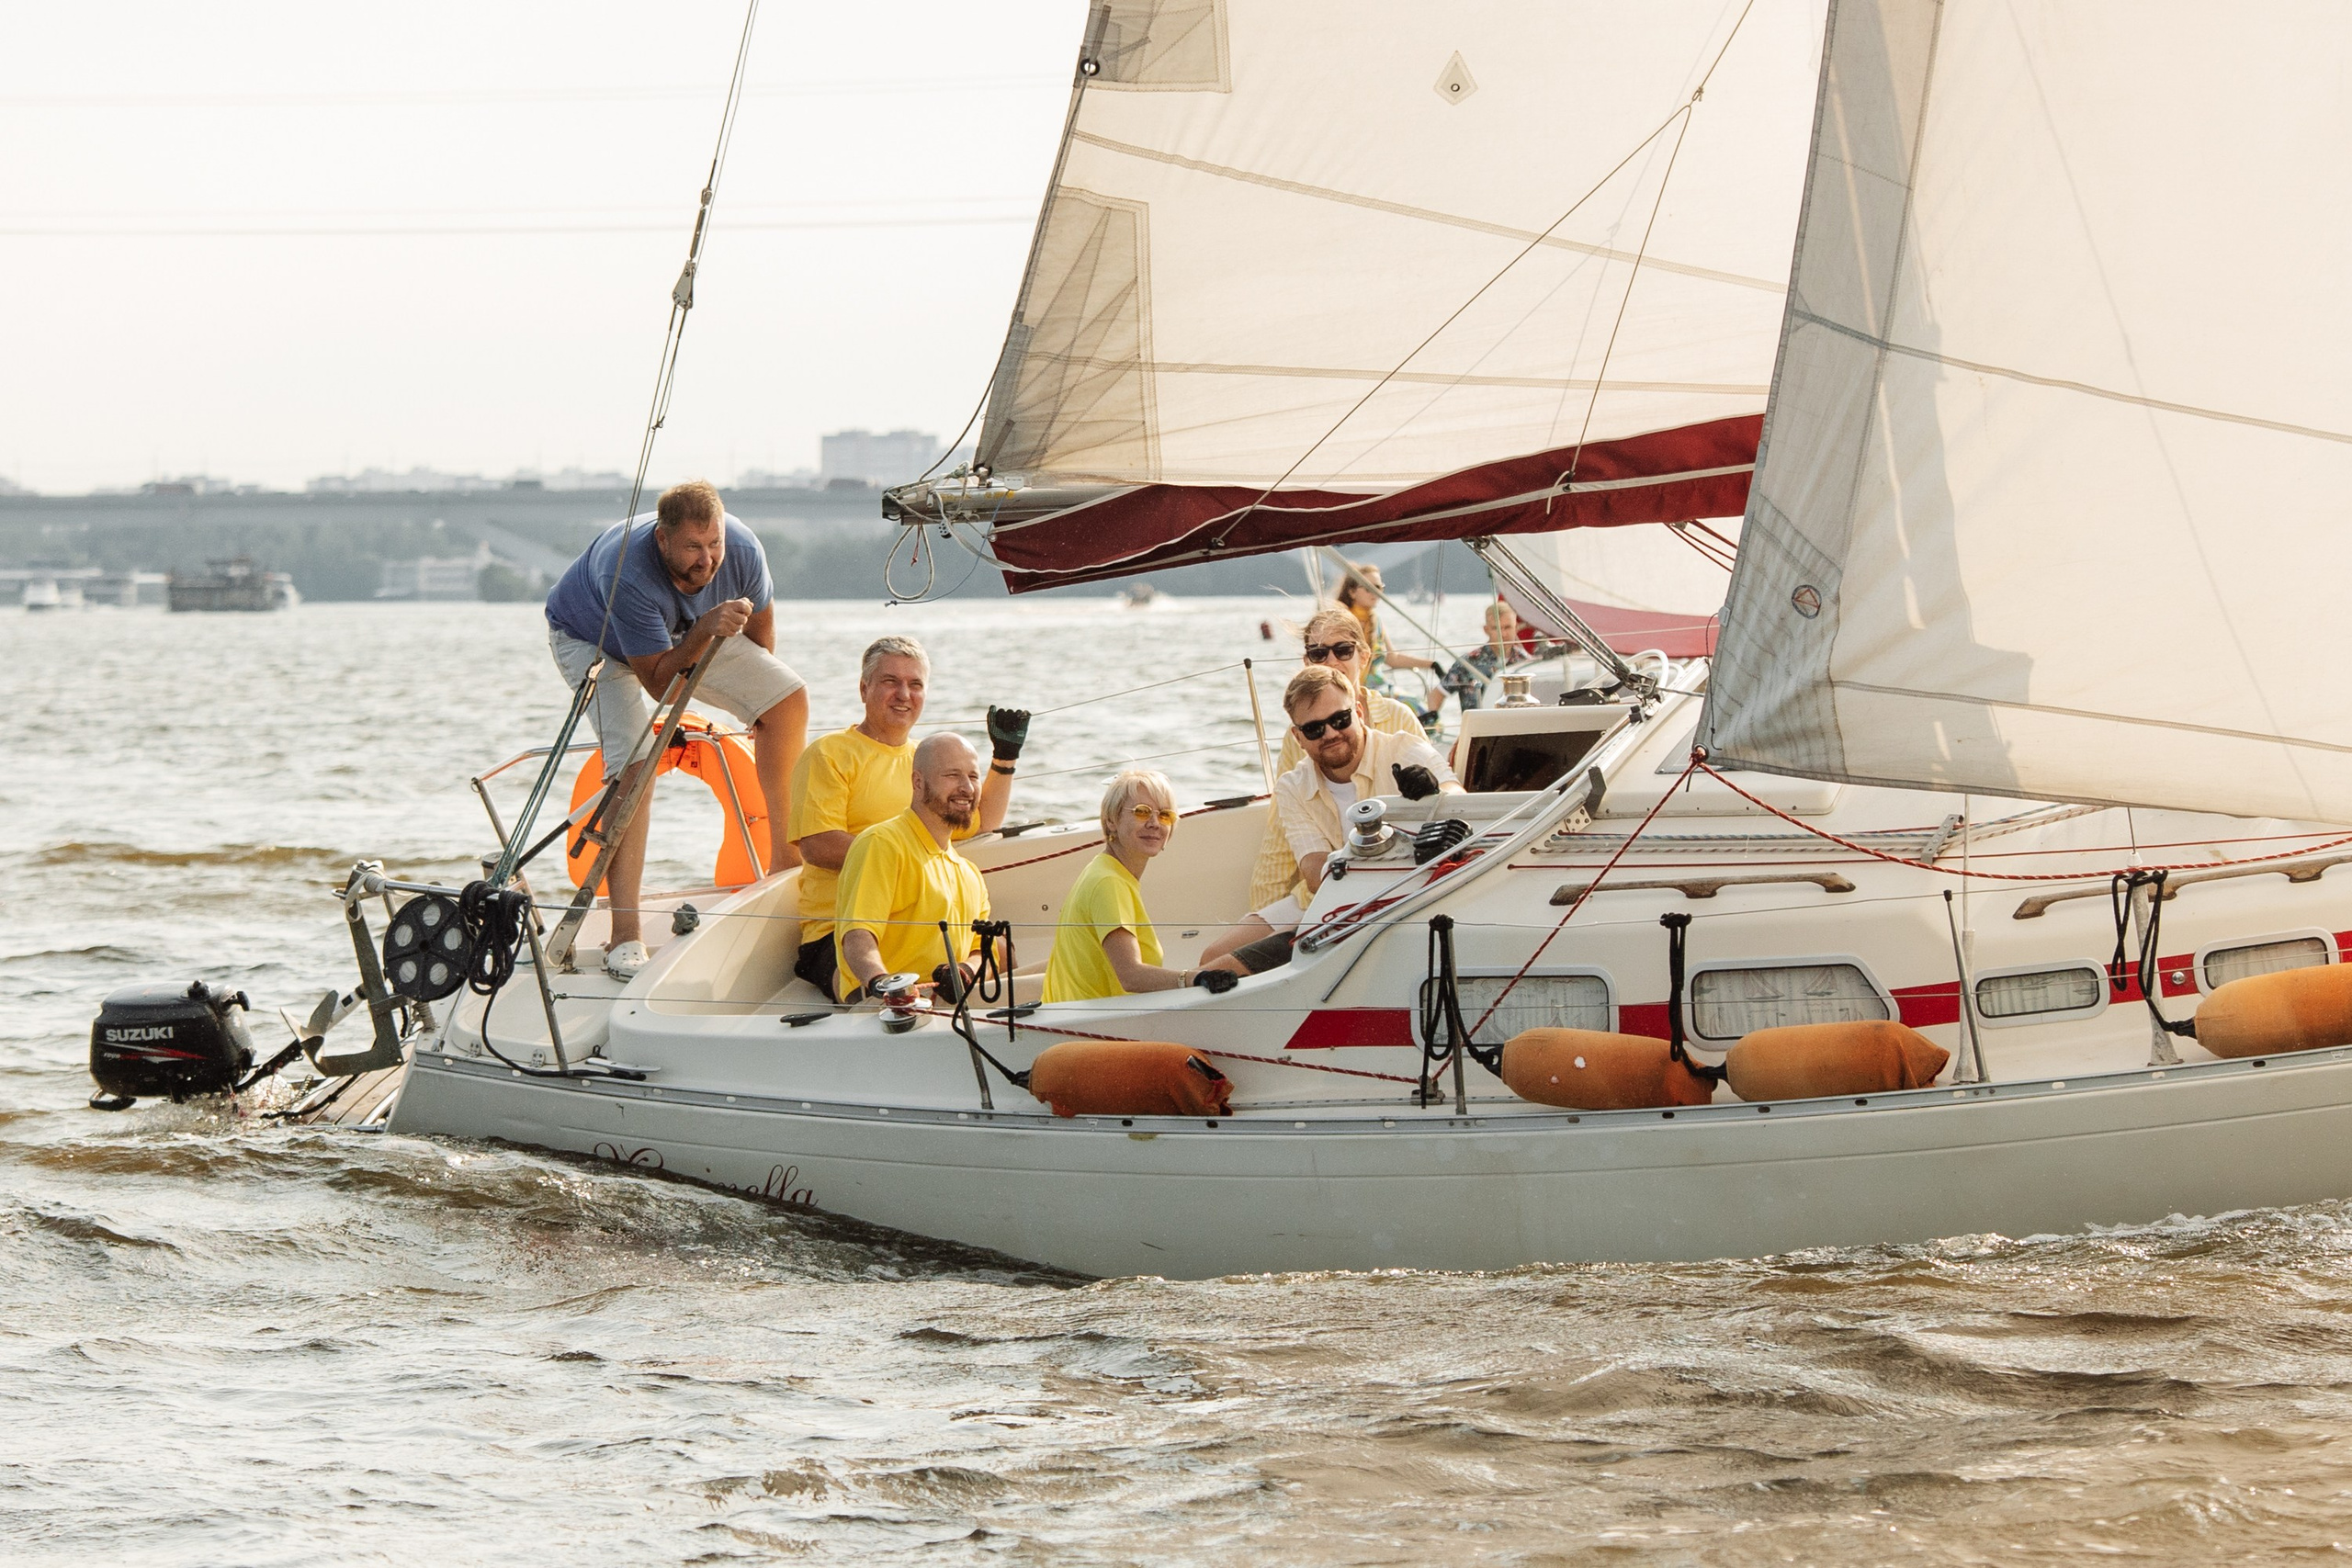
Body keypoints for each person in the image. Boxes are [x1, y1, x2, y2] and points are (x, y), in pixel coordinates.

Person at [544, 479, 808, 978]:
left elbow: (760, 633)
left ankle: (785, 869)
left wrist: (756, 708)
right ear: (663, 540)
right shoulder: (627, 571)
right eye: (692, 547)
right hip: (593, 639)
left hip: (687, 629)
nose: (707, 561)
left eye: (714, 545)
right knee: (635, 760)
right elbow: (659, 683)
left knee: (787, 698)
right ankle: (625, 933)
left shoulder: (745, 549)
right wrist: (706, 627)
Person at [786, 635, 1023, 998]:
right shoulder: (830, 754)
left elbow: (978, 819)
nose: (904, 694)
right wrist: (900, 863)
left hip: (921, 919)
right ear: (864, 688)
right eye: (890, 682)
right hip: (837, 929)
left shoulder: (929, 763)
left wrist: (1004, 759)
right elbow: (818, 846)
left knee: (1001, 949)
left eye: (915, 684)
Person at [1203, 665, 1461, 970]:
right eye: (1314, 729)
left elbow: (1459, 797)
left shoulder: (1403, 750)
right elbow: (1314, 874)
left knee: (1234, 969)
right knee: (1210, 960)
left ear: (1359, 713)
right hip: (1327, 899)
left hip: (1407, 894)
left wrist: (1433, 791)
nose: (1331, 734)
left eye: (1340, 719)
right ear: (1298, 737)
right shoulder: (1292, 786)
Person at [1238, 609, 1428, 919]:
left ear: (1363, 657)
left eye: (1342, 650)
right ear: (1307, 663)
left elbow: (1437, 800)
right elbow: (1281, 832)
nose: (1331, 662)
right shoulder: (1297, 738)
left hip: (1400, 883)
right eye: (1318, 653)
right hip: (1324, 889)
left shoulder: (1399, 720)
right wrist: (1262, 909)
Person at [1042, 770, 1245, 1003]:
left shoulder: (1104, 869)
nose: (1155, 823)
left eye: (1165, 815)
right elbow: (1131, 976)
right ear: (1111, 821)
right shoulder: (1109, 882)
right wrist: (1196, 979)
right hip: (1100, 1027)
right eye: (1142, 812)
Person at [833, 733, 992, 1002]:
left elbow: (984, 953)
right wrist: (885, 985)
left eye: (974, 777)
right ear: (918, 782)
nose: (967, 787)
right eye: (953, 775)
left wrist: (966, 971)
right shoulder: (882, 843)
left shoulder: (969, 872)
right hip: (888, 1006)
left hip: (950, 1003)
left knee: (1054, 985)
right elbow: (858, 937)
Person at [1336, 562, 1432, 693]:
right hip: (1354, 690)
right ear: (1352, 592)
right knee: (1411, 707)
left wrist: (1432, 665)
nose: (1375, 593)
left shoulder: (1376, 622)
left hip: (1380, 688)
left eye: (1378, 587)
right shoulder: (1341, 621)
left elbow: (1393, 659)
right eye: (1369, 588)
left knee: (1419, 708)